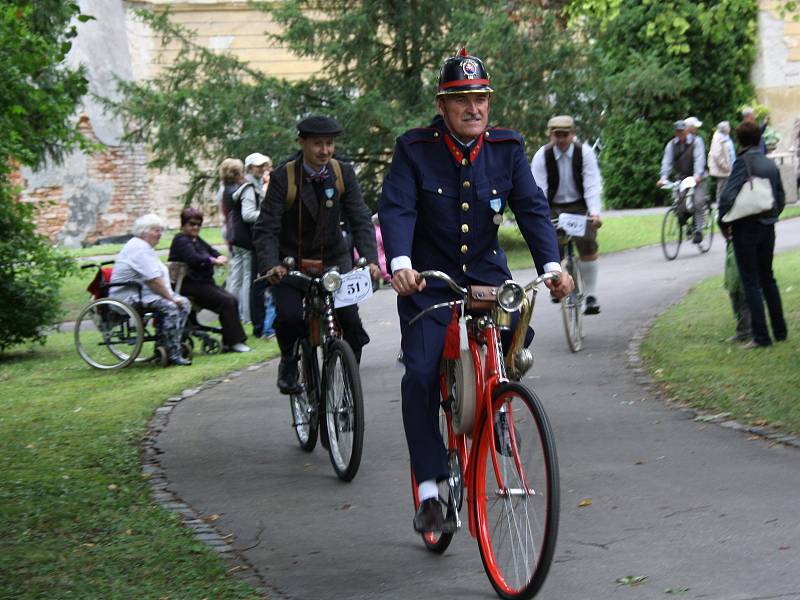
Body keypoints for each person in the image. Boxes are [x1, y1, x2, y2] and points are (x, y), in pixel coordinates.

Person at [378, 48, 573, 533]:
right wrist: (401, 264)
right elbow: (398, 207)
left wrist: (552, 267)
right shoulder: (414, 148)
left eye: (481, 98)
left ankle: (501, 402)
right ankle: (428, 490)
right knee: (420, 373)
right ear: (442, 106)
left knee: (515, 335)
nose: (474, 108)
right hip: (428, 278)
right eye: (461, 99)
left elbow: (531, 207)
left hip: (487, 272)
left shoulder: (507, 148)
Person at [252, 115, 380, 394]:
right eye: (318, 144)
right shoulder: (282, 177)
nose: (325, 150)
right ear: (302, 143)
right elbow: (266, 227)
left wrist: (371, 260)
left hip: (334, 258)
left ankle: (347, 383)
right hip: (291, 263)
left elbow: (360, 218)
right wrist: (270, 265)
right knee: (288, 318)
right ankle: (288, 361)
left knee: (350, 322)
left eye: (330, 144)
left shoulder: (342, 172)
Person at [718, 120, 787, 348]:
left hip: (745, 228)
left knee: (750, 282)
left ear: (739, 141)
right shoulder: (768, 164)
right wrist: (770, 215)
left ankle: (761, 336)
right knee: (768, 278)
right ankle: (780, 330)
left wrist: (723, 221)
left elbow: (727, 196)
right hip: (768, 226)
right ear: (759, 139)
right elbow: (780, 197)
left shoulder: (742, 163)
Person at [530, 115, 604, 314]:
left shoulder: (585, 153)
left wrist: (595, 213)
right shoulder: (542, 156)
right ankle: (560, 284)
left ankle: (590, 295)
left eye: (565, 134)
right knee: (551, 246)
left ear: (573, 134)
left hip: (579, 205)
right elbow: (539, 189)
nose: (561, 139)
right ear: (551, 135)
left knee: (587, 242)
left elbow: (591, 184)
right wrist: (540, 217)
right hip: (553, 206)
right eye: (557, 135)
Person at [109, 214, 191, 366]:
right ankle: (172, 351)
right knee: (171, 306)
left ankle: (167, 345)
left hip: (143, 294)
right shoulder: (139, 249)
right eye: (156, 230)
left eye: (161, 230)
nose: (160, 234)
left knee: (184, 303)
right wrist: (171, 298)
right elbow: (153, 280)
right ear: (144, 231)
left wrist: (172, 296)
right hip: (128, 297)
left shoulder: (145, 248)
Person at [168, 207, 251, 353]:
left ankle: (229, 341)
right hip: (188, 284)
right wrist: (212, 260)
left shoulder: (196, 239)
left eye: (199, 224)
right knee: (226, 301)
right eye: (192, 224)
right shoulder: (181, 240)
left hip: (202, 282)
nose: (196, 227)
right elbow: (193, 258)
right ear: (184, 224)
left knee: (231, 299)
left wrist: (219, 256)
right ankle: (234, 342)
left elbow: (211, 250)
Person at [658, 119, 708, 244]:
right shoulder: (671, 145)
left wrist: (697, 176)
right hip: (682, 177)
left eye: (682, 131)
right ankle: (686, 219)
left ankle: (699, 230)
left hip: (698, 176)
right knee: (678, 203)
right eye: (678, 132)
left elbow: (699, 159)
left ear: (687, 131)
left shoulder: (697, 142)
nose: (680, 134)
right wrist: (663, 177)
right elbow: (667, 162)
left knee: (698, 201)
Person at [219, 158, 249, 321]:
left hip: (232, 233)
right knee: (245, 275)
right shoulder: (236, 191)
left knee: (235, 275)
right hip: (240, 235)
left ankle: (232, 310)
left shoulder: (226, 189)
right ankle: (245, 314)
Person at [708, 121, 736, 202]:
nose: (730, 128)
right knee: (722, 189)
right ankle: (721, 207)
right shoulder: (718, 138)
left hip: (728, 167)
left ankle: (725, 205)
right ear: (724, 129)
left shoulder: (725, 136)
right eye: (728, 127)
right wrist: (726, 167)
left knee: (726, 188)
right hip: (723, 169)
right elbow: (717, 155)